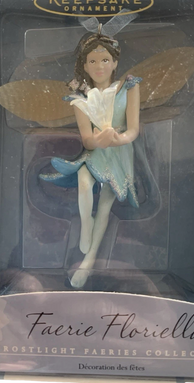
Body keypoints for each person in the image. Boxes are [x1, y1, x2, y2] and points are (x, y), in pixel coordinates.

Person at [40, 32, 141, 288]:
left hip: (119, 152)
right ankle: (86, 222)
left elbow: (133, 130)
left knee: (105, 205)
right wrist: (98, 140)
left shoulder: (129, 87)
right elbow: (86, 139)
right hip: (96, 150)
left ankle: (89, 260)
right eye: (93, 61)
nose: (99, 66)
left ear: (115, 62)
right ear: (84, 65)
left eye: (105, 60)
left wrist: (118, 139)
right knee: (84, 180)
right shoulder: (80, 96)